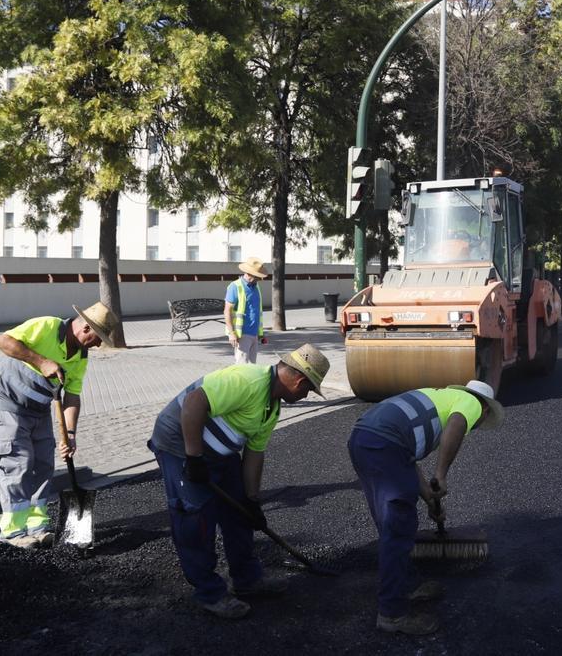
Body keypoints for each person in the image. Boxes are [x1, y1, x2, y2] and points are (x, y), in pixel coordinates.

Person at [148, 344, 331, 620]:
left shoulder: (272, 408)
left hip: (219, 452)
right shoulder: (248, 380)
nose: (305, 395)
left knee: (239, 514)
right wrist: (194, 457)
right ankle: (209, 593)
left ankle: (246, 580)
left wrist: (252, 501)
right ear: (299, 381)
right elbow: (194, 402)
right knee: (195, 518)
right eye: (307, 390)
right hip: (180, 443)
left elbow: (255, 455)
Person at [347, 380, 504, 636]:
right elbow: (456, 426)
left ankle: (403, 587)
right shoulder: (473, 403)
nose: (476, 425)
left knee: (392, 525)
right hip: (384, 443)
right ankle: (392, 614)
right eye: (480, 421)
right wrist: (441, 475)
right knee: (398, 527)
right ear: (485, 409)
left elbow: (406, 460)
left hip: (365, 439)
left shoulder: (439, 398)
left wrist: (430, 500)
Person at [0, 301, 119, 548]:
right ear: (86, 329)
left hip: (39, 410)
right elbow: (3, 342)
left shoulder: (80, 356)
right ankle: (13, 533)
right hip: (7, 403)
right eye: (98, 337)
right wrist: (41, 361)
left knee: (43, 466)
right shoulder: (46, 326)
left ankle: (37, 526)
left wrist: (70, 434)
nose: (99, 344)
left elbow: (72, 396)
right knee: (17, 464)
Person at [224, 257, 268, 364]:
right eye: (257, 277)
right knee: (242, 367)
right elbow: (227, 311)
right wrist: (231, 333)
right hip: (242, 334)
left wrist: (260, 333)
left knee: (252, 368)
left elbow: (256, 311)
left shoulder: (256, 287)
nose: (259, 279)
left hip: (254, 334)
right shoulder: (235, 286)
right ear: (248, 273)